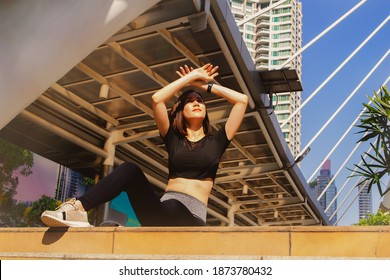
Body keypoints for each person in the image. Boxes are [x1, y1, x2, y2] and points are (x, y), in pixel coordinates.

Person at [40, 64, 248, 227]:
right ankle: (78, 207)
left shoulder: (218, 140)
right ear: (181, 111)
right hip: (161, 212)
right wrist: (189, 79)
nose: (196, 102)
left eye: (200, 100)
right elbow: (157, 100)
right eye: (190, 101)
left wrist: (204, 86)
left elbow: (242, 101)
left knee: (174, 206)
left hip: (191, 217)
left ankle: (116, 227)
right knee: (130, 170)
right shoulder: (173, 138)